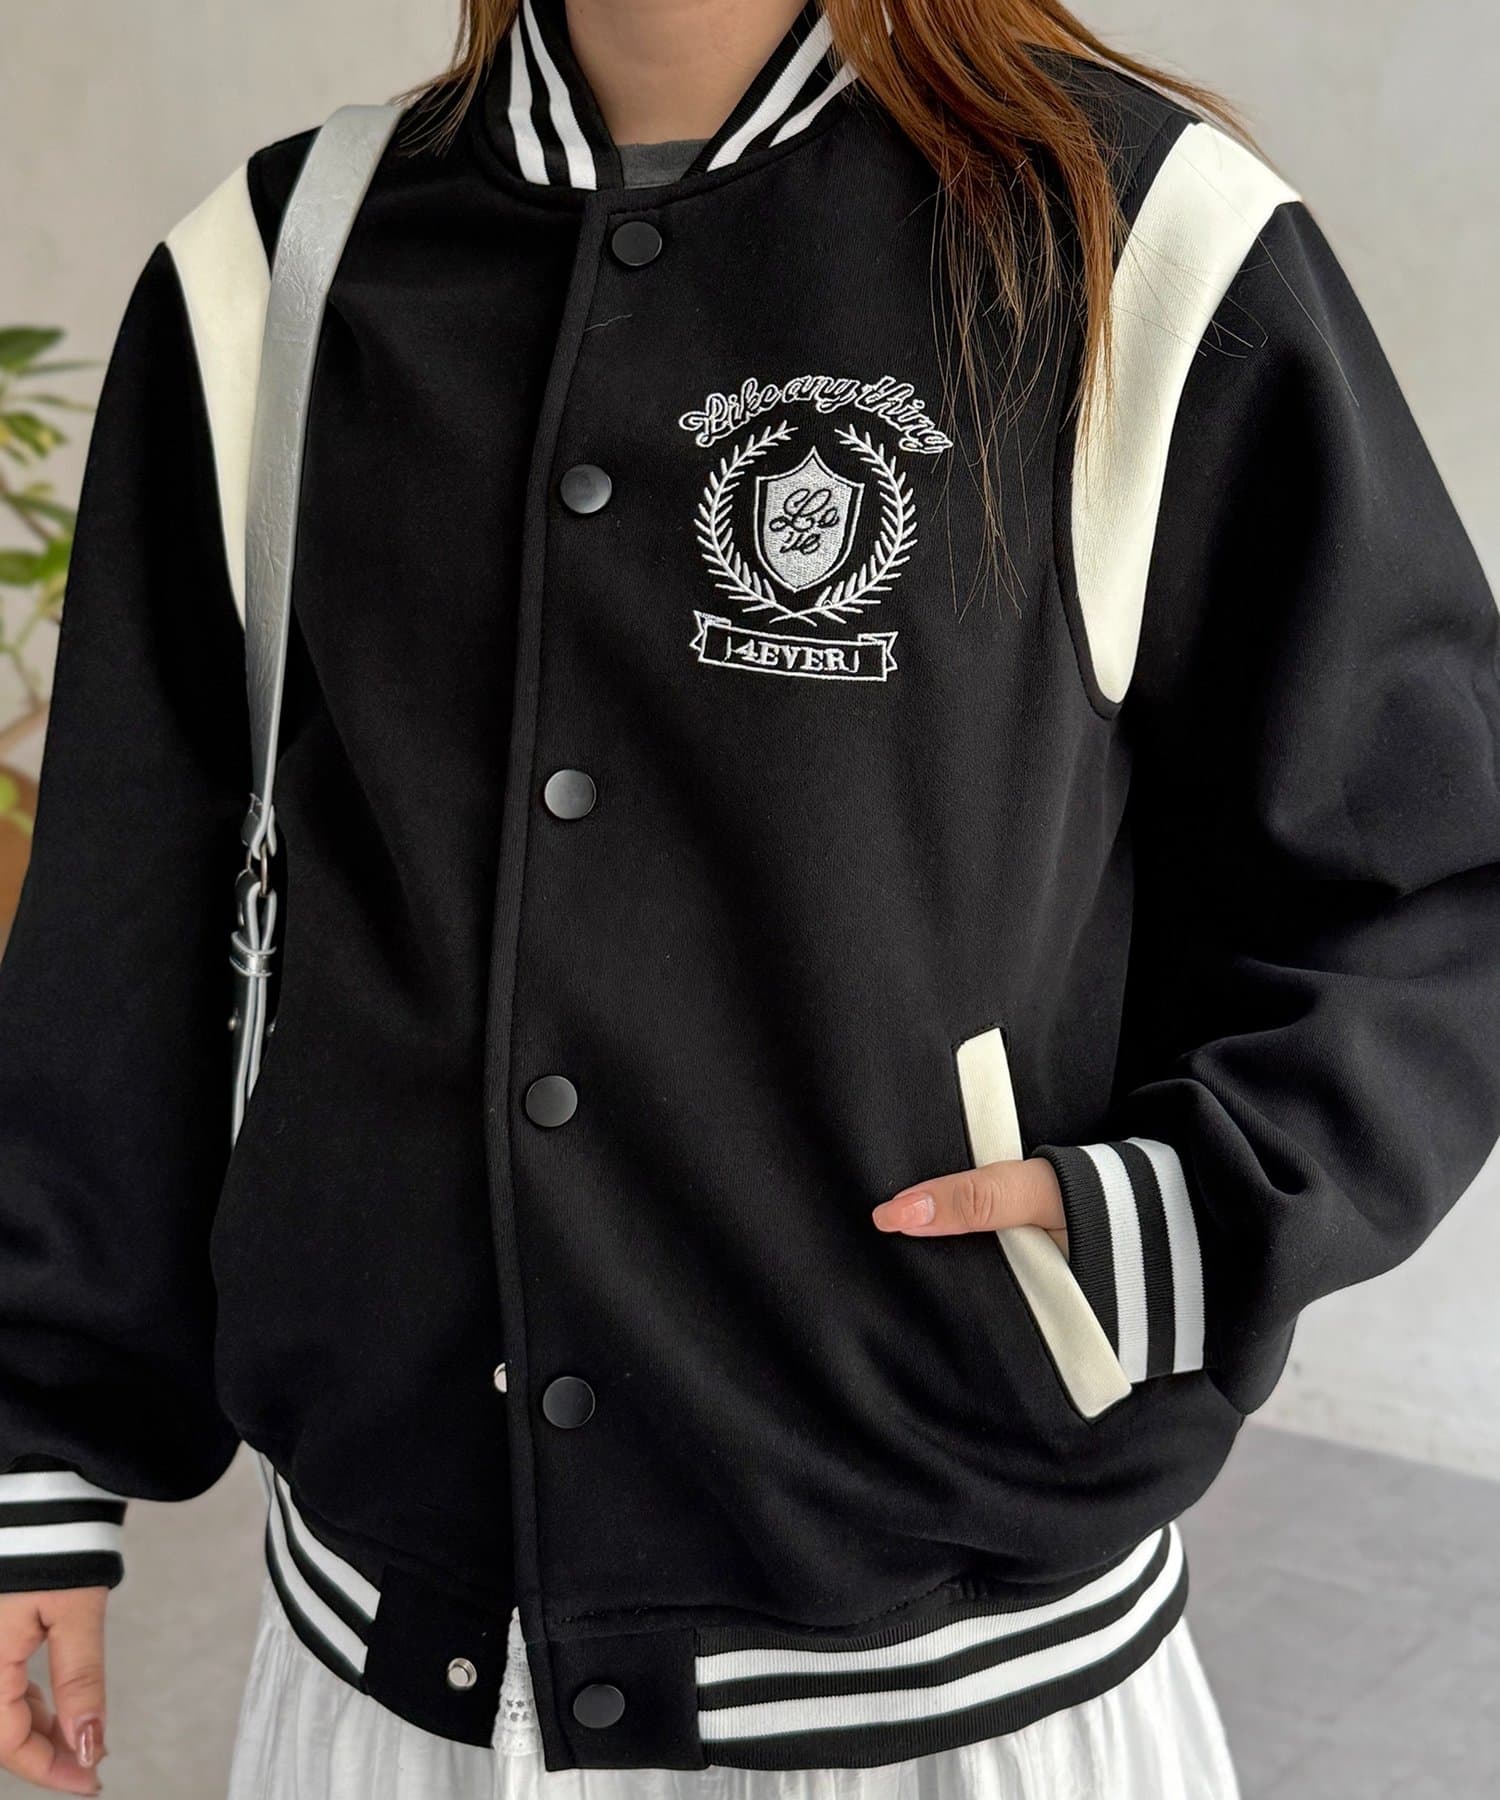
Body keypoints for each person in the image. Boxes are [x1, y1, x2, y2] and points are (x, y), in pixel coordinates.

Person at [2, 1, 1498, 1794]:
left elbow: (1429, 870)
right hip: (408, 1679)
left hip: (953, 1673)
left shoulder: (1138, 242)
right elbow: (125, 911)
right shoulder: (280, 270)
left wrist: (1165, 1225)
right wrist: (40, 1452)